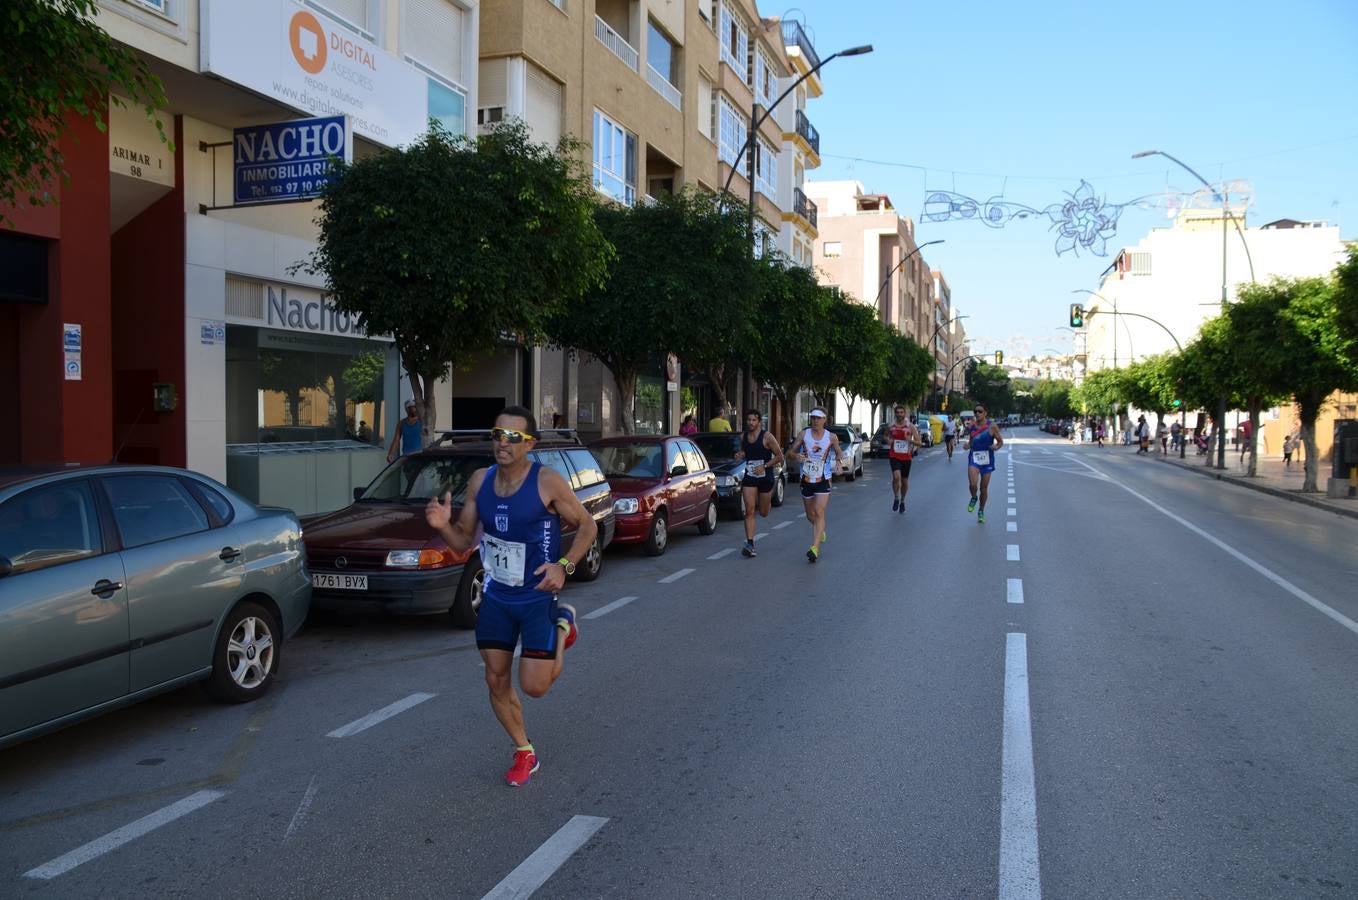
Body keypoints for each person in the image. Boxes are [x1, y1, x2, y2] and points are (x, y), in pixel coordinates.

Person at [424, 406, 597, 786]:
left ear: (530, 444)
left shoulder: (547, 482)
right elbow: (463, 542)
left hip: (537, 594)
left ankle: (562, 627)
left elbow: (587, 526)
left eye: (513, 437)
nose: (503, 442)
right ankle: (524, 751)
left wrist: (564, 566)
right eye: (497, 434)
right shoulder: (479, 481)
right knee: (495, 678)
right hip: (497, 595)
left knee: (535, 686)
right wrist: (442, 527)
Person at [786, 408, 842, 563]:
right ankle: (820, 529)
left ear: (825, 420)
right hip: (806, 479)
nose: (815, 421)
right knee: (811, 515)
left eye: (818, 418)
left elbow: (839, 452)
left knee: (818, 511)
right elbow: (789, 452)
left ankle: (814, 548)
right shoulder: (804, 434)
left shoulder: (831, 437)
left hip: (823, 479)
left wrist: (838, 463)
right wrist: (795, 455)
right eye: (813, 418)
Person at [734, 409, 785, 557]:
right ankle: (750, 544)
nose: (750, 423)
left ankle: (767, 502)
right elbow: (745, 451)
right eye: (748, 420)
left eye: (753, 420)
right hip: (750, 476)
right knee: (749, 511)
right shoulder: (743, 436)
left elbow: (779, 456)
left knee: (763, 512)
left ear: (759, 422)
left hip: (765, 477)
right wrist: (740, 454)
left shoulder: (767, 437)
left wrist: (765, 466)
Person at [965, 405, 1003, 524]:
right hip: (974, 459)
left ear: (985, 413)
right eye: (975, 411)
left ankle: (981, 510)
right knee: (972, 484)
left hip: (987, 461)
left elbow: (1001, 441)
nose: (977, 413)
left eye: (980, 411)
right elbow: (971, 442)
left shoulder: (992, 426)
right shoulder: (972, 427)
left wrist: (996, 447)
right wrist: (967, 445)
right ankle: (974, 497)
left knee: (984, 488)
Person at [886, 405, 921, 513]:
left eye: (902, 412)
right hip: (894, 456)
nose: (900, 414)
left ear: (904, 414)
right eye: (898, 412)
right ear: (895, 413)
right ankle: (896, 497)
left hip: (906, 457)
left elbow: (919, 442)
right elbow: (886, 436)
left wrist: (910, 441)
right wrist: (889, 440)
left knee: (904, 481)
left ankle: (903, 500)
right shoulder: (891, 426)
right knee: (896, 477)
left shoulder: (910, 427)